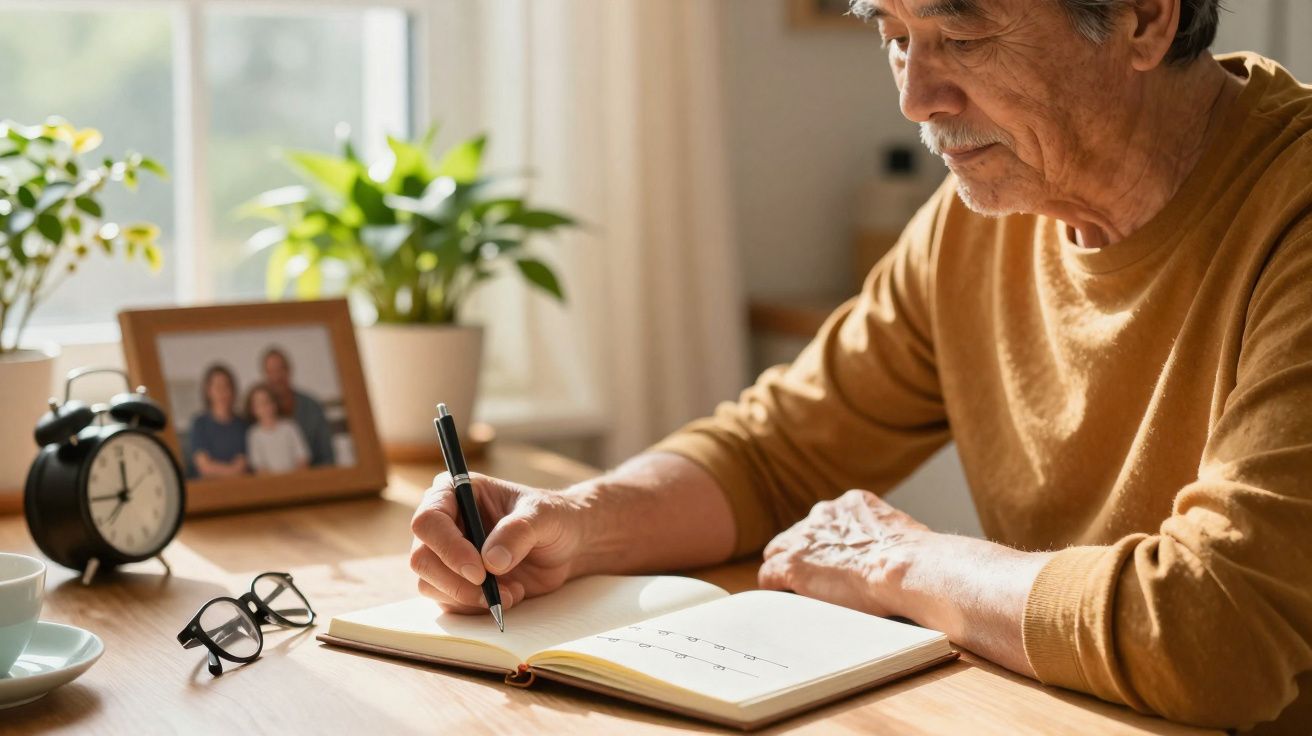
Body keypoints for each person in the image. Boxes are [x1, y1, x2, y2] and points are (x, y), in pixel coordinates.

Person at [408, 1, 1312, 731]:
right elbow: (775, 451)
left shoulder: (1293, 213)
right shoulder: (980, 219)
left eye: (961, 34)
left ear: (1144, 19)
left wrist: (903, 563)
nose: (917, 97)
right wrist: (574, 519)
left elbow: (1216, 632)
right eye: (894, 36)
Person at [260, 346, 335, 467]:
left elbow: (327, 456)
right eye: (271, 372)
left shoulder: (312, 407)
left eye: (280, 369)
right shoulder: (257, 415)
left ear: (289, 370)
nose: (277, 377)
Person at [187, 363, 249, 479]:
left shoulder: (242, 424)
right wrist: (230, 471)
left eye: (226, 387)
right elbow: (204, 466)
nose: (222, 392)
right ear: (208, 391)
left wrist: (231, 471)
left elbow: (242, 465)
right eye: (217, 387)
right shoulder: (200, 424)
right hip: (209, 489)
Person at [243, 383, 310, 474]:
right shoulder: (254, 434)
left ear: (274, 404)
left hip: (295, 480)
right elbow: (259, 467)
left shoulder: (290, 427)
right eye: (259, 404)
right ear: (252, 410)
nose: (264, 407)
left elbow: (302, 458)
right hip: (270, 484)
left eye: (267, 402)